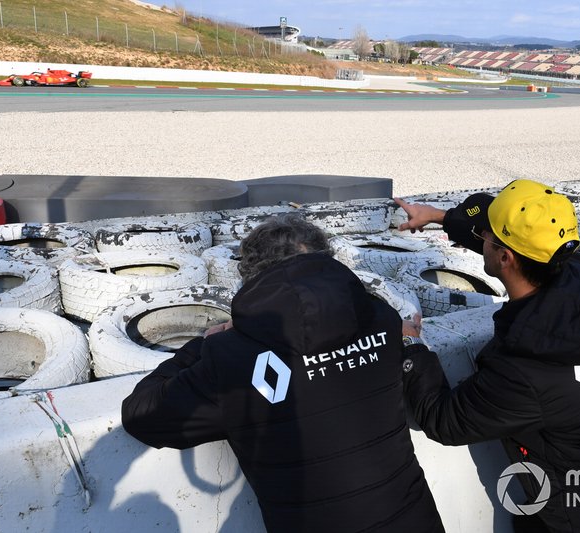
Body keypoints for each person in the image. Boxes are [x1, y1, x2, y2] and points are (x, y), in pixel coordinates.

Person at [121, 214, 444, 533]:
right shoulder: (381, 319)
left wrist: (202, 346)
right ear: (326, 261)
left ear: (249, 274)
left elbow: (141, 416)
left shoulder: (230, 357)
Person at [395, 179, 580, 532]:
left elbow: (443, 419)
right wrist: (438, 216)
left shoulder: (524, 368)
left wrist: (411, 348)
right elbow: (519, 246)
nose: (483, 238)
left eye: (487, 236)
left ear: (504, 257)